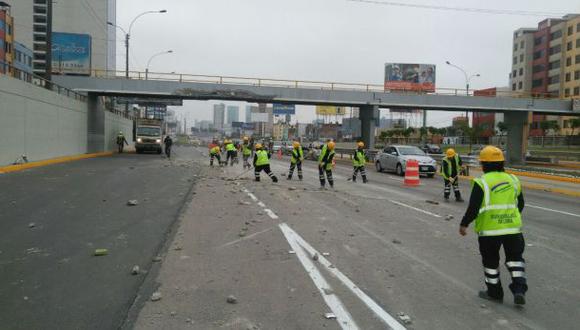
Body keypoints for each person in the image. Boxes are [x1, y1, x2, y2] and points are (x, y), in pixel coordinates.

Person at [459, 146, 527, 305]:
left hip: (489, 232)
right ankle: (519, 290)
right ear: (501, 163)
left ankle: (495, 293)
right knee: (515, 260)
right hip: (512, 230)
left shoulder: (482, 182)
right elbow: (521, 203)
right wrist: (510, 217)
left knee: (490, 263)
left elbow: (473, 207)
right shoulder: (513, 179)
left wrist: (464, 224)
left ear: (484, 164)